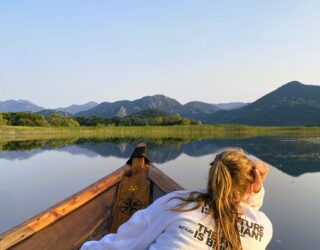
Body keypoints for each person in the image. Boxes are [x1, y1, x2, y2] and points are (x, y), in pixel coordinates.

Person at [81, 149, 272, 250]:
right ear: (250, 187)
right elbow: (243, 211)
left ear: (213, 176)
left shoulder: (177, 203)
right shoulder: (263, 227)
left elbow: (125, 244)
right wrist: (255, 191)